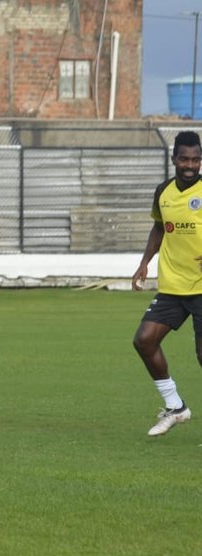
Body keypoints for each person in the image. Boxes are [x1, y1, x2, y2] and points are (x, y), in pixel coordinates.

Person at [131, 130, 202, 437]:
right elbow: (159, 228)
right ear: (174, 159)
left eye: (196, 159)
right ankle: (175, 406)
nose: (190, 165)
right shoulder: (163, 192)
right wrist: (144, 262)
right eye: (184, 159)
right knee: (144, 340)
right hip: (173, 285)